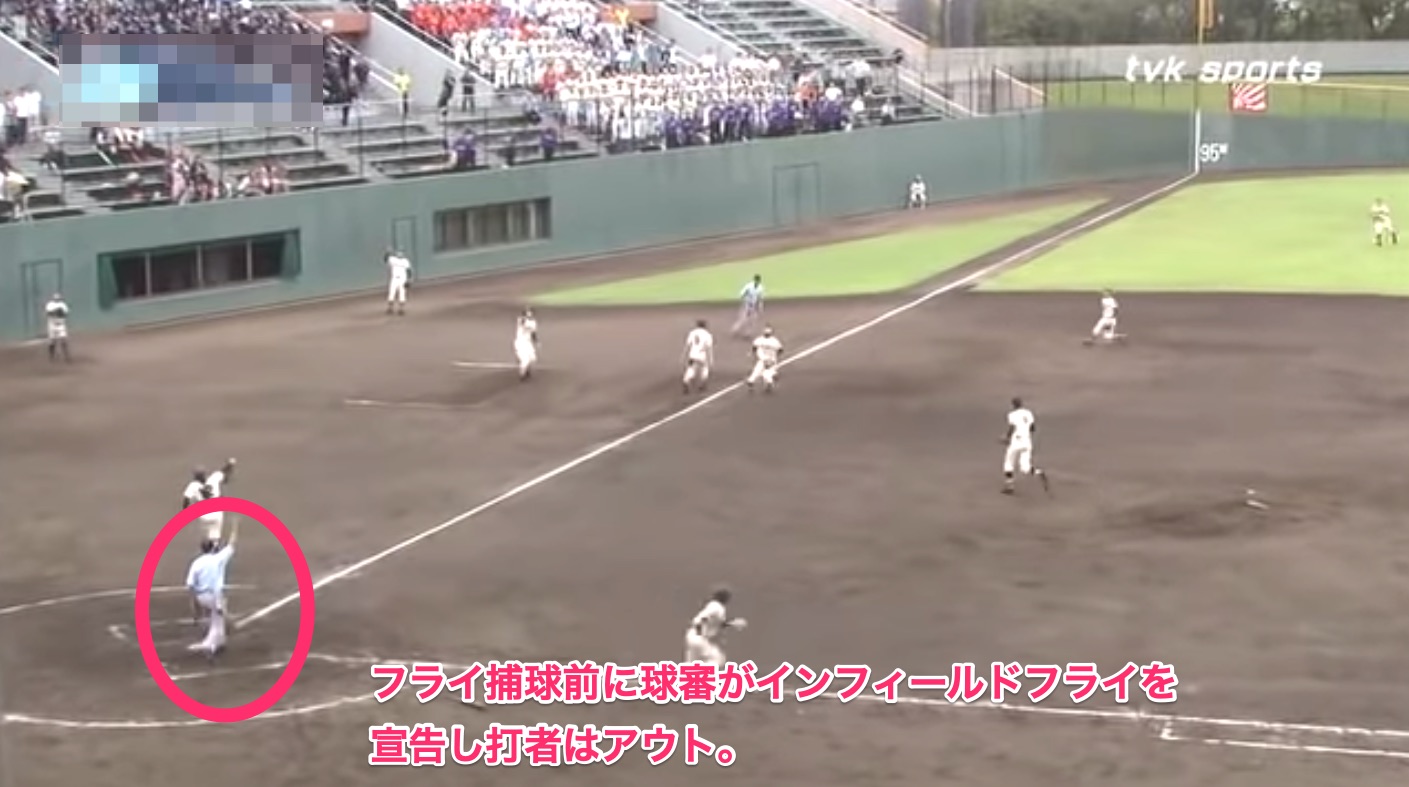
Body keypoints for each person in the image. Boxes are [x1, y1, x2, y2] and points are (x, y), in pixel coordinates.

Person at [185, 517, 239, 662]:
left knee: (217, 619)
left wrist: (194, 605)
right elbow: (232, 544)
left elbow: (190, 584)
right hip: (215, 596)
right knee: (219, 618)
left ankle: (216, 641)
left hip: (201, 597)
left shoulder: (196, 563)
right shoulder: (218, 559)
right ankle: (212, 647)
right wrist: (235, 526)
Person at [684, 587, 747, 667]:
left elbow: (717, 623)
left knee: (691, 664)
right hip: (698, 636)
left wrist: (732, 623)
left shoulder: (715, 606)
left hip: (692, 636)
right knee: (717, 659)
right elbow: (701, 618)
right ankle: (704, 671)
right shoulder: (716, 605)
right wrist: (699, 631)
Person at [183, 458, 237, 542]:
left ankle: (207, 544)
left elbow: (186, 500)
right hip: (216, 512)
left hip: (203, 515)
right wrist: (230, 464)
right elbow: (224, 471)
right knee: (216, 533)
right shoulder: (213, 478)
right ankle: (215, 543)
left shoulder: (192, 485)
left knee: (206, 534)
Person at [1002, 398, 1048, 496]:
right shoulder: (1028, 413)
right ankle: (1039, 472)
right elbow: (1033, 428)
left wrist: (1007, 438)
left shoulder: (1012, 415)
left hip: (1016, 442)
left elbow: (1012, 428)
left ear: (1013, 405)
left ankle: (1010, 487)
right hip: (1027, 442)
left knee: (1008, 463)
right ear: (1021, 404)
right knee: (1025, 468)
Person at [746, 326, 783, 394]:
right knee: (767, 372)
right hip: (771, 359)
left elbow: (754, 347)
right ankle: (769, 381)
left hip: (762, 359)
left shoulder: (759, 339)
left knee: (757, 370)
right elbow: (780, 350)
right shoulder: (774, 341)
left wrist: (752, 353)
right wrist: (776, 356)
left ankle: (751, 380)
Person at [682, 319, 715, 394]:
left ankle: (686, 380)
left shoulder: (692, 333)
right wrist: (710, 359)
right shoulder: (708, 334)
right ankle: (703, 383)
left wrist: (684, 355)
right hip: (702, 355)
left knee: (691, 368)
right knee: (705, 368)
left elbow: (688, 345)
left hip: (692, 354)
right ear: (705, 326)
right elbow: (709, 348)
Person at [44, 292, 70, 363]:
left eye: (58, 299)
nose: (57, 300)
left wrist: (61, 313)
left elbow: (66, 313)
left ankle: (66, 356)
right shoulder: (50, 304)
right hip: (52, 324)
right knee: (52, 340)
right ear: (53, 299)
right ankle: (51, 356)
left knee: (63, 339)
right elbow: (48, 313)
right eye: (56, 299)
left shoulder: (63, 305)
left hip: (61, 324)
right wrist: (55, 312)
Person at [385, 248, 412, 315]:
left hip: (402, 279)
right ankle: (390, 308)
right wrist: (387, 253)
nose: (399, 254)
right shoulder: (392, 259)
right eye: (398, 252)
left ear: (403, 254)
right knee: (391, 293)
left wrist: (409, 279)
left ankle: (401, 309)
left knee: (402, 294)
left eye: (401, 252)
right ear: (396, 253)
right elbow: (385, 259)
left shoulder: (405, 261)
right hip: (394, 279)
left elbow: (408, 270)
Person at [514, 308, 539, 381]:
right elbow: (522, 322)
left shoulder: (533, 323)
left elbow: (533, 333)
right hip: (521, 342)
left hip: (528, 343)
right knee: (525, 360)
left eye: (530, 313)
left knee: (532, 358)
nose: (529, 314)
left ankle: (526, 370)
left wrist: (536, 341)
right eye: (527, 313)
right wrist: (524, 318)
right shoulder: (521, 320)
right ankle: (522, 375)